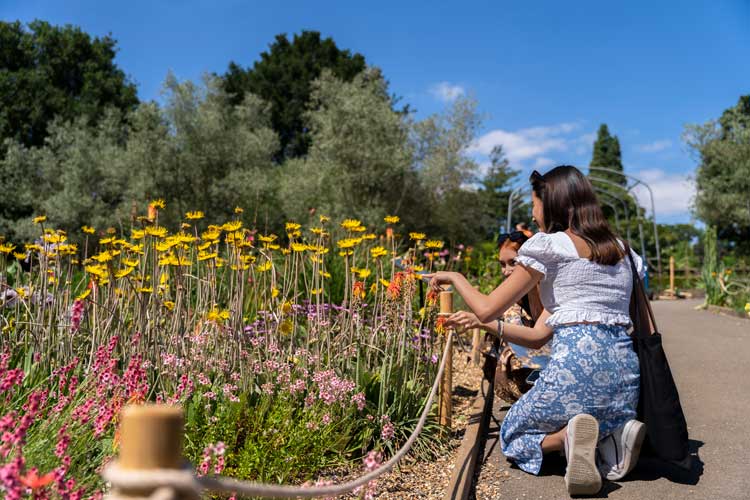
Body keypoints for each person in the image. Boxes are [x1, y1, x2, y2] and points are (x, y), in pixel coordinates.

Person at [426, 166, 645, 496]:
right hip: (626, 377)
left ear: (552, 203)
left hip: (574, 371)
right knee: (594, 410)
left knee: (512, 433)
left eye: (534, 203)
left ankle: (567, 438)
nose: (533, 211)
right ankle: (613, 435)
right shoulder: (624, 252)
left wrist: (457, 278)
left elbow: (487, 307)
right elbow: (540, 334)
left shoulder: (551, 246)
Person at [447, 229, 551, 402]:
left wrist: (456, 278)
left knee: (505, 320)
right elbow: (486, 309)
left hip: (551, 360)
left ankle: (529, 391)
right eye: (503, 264)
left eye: (513, 262)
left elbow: (540, 336)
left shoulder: (549, 288)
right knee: (496, 328)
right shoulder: (519, 295)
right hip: (535, 356)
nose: (506, 271)